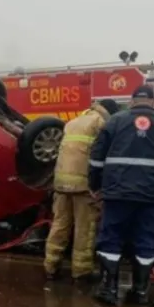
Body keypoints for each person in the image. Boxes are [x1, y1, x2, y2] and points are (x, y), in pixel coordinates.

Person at [89, 85, 154, 305]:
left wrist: (95, 185)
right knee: (146, 240)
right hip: (152, 196)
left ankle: (109, 290)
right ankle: (139, 291)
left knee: (111, 237)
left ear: (131, 101)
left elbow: (96, 159)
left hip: (118, 193)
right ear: (153, 102)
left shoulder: (115, 121)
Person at [44, 99, 120, 285]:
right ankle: (81, 272)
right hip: (83, 185)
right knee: (84, 228)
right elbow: (102, 157)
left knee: (60, 224)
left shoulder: (73, 122)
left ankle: (50, 267)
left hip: (61, 183)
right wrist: (99, 186)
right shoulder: (101, 124)